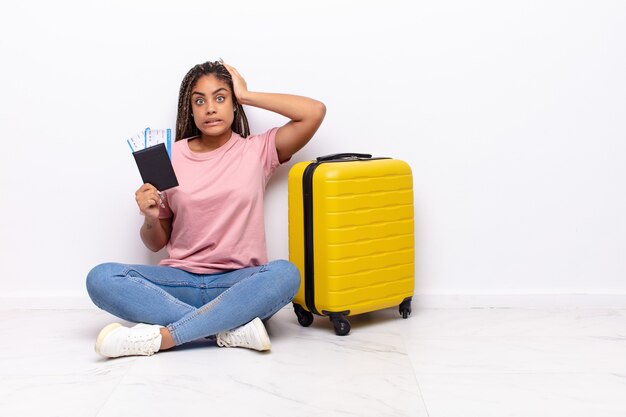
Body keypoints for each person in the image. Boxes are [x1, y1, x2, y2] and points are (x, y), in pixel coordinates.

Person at [86, 60, 326, 358]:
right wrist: (150, 219)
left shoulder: (257, 150)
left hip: (239, 285)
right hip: (180, 281)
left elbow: (314, 112)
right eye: (199, 101)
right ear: (191, 109)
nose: (210, 108)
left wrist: (248, 95)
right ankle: (227, 329)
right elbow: (157, 241)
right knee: (100, 278)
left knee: (286, 274)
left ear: (234, 104)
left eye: (220, 98)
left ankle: (166, 338)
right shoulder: (170, 156)